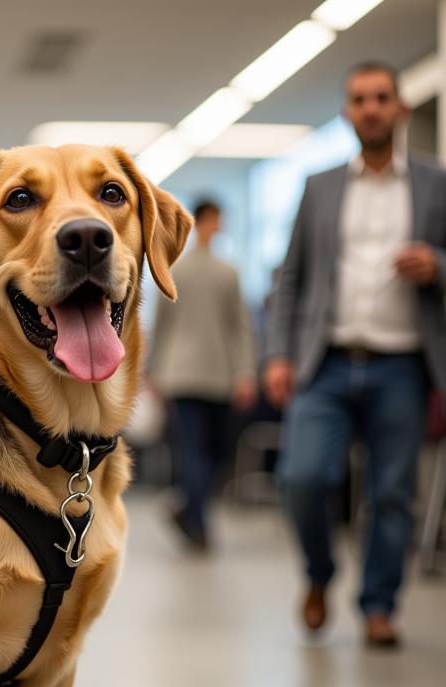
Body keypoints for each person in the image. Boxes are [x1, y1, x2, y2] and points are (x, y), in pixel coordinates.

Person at [264, 60, 446, 648]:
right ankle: (319, 575)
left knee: (392, 494)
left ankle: (378, 606)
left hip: (403, 363)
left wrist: (437, 266)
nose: (371, 108)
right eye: (360, 99)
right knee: (303, 478)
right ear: (347, 113)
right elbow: (292, 277)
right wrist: (278, 355)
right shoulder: (320, 187)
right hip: (327, 361)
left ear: (399, 108)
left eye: (382, 97)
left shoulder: (434, 184)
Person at [148, 200, 257, 550]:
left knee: (199, 451)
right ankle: (196, 522)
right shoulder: (227, 272)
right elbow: (239, 328)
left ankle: (189, 513)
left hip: (183, 372)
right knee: (208, 451)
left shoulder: (176, 269)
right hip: (212, 372)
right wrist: (244, 371)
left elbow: (161, 325)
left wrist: (154, 370)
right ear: (208, 222)